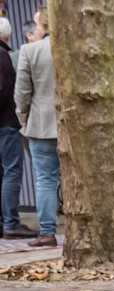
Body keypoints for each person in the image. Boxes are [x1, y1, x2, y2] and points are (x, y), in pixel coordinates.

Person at [15, 7, 58, 248]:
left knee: (45, 179)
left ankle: (48, 232)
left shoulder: (30, 51)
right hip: (75, 128)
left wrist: (23, 119)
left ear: (43, 25)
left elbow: (22, 92)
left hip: (41, 125)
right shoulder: (74, 50)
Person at [0, 17, 33, 241]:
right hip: (6, 122)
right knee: (11, 172)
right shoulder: (3, 57)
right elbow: (5, 90)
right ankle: (11, 222)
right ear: (8, 35)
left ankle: (4, 222)